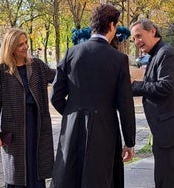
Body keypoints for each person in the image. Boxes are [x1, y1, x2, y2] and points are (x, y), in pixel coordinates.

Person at [50, 4, 136, 188]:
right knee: (101, 179)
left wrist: (72, 113)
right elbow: (125, 105)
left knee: (70, 178)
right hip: (104, 130)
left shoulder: (70, 53)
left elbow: (55, 96)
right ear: (112, 25)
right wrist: (129, 142)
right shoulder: (118, 59)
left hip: (73, 129)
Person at [0, 28, 55, 188]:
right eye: (20, 44)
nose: (25, 47)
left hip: (37, 124)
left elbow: (58, 77)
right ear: (11, 47)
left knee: (37, 166)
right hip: (14, 127)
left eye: (26, 43)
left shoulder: (37, 66)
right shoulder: (2, 71)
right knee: (16, 173)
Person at [130, 18, 174, 188]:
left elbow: (166, 87)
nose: (136, 42)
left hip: (169, 127)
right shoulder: (157, 54)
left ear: (153, 31)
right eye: (134, 38)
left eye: (139, 36)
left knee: (164, 178)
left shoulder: (166, 53)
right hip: (166, 126)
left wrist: (135, 85)